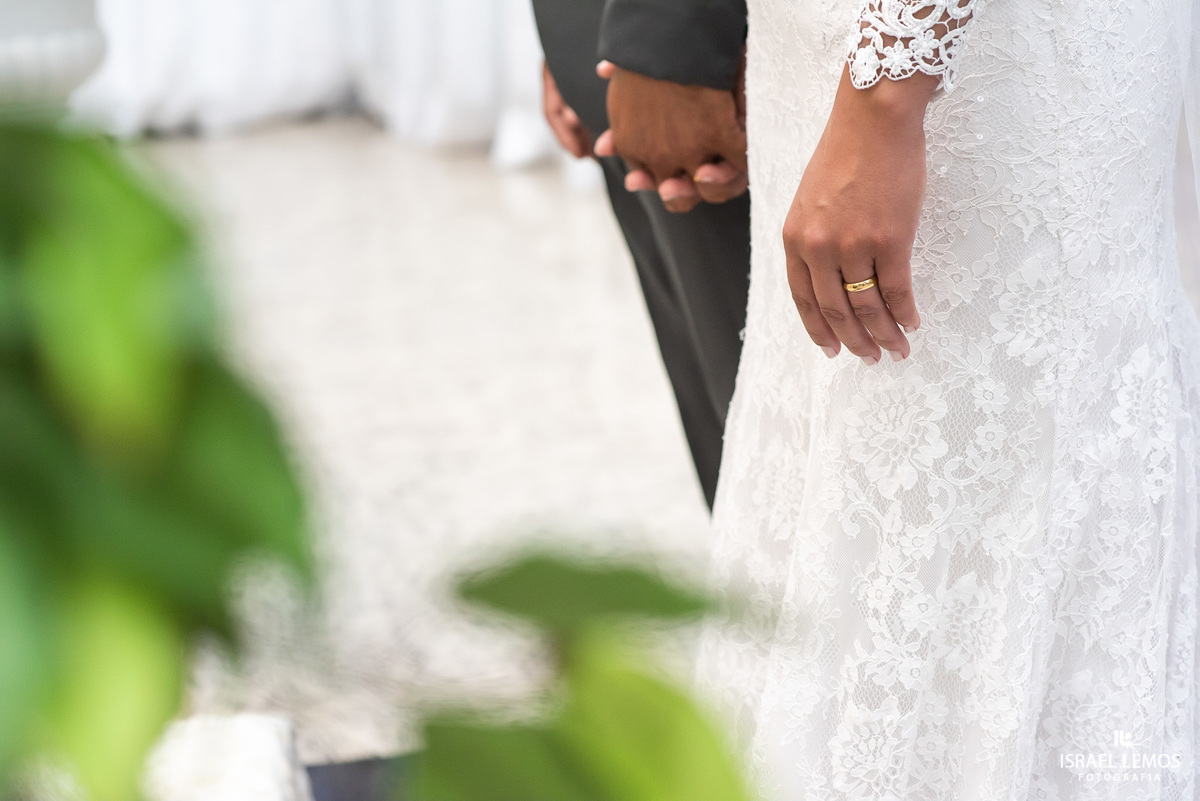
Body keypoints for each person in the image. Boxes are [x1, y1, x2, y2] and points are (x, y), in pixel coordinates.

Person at [692, 0, 1200, 797]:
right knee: (829, 447)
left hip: (975, 62)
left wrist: (886, 90)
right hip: (823, 49)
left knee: (979, 444)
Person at [530, 0, 750, 510]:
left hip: (699, 49)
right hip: (633, 53)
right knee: (731, 441)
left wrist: (665, 39)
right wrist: (578, 32)